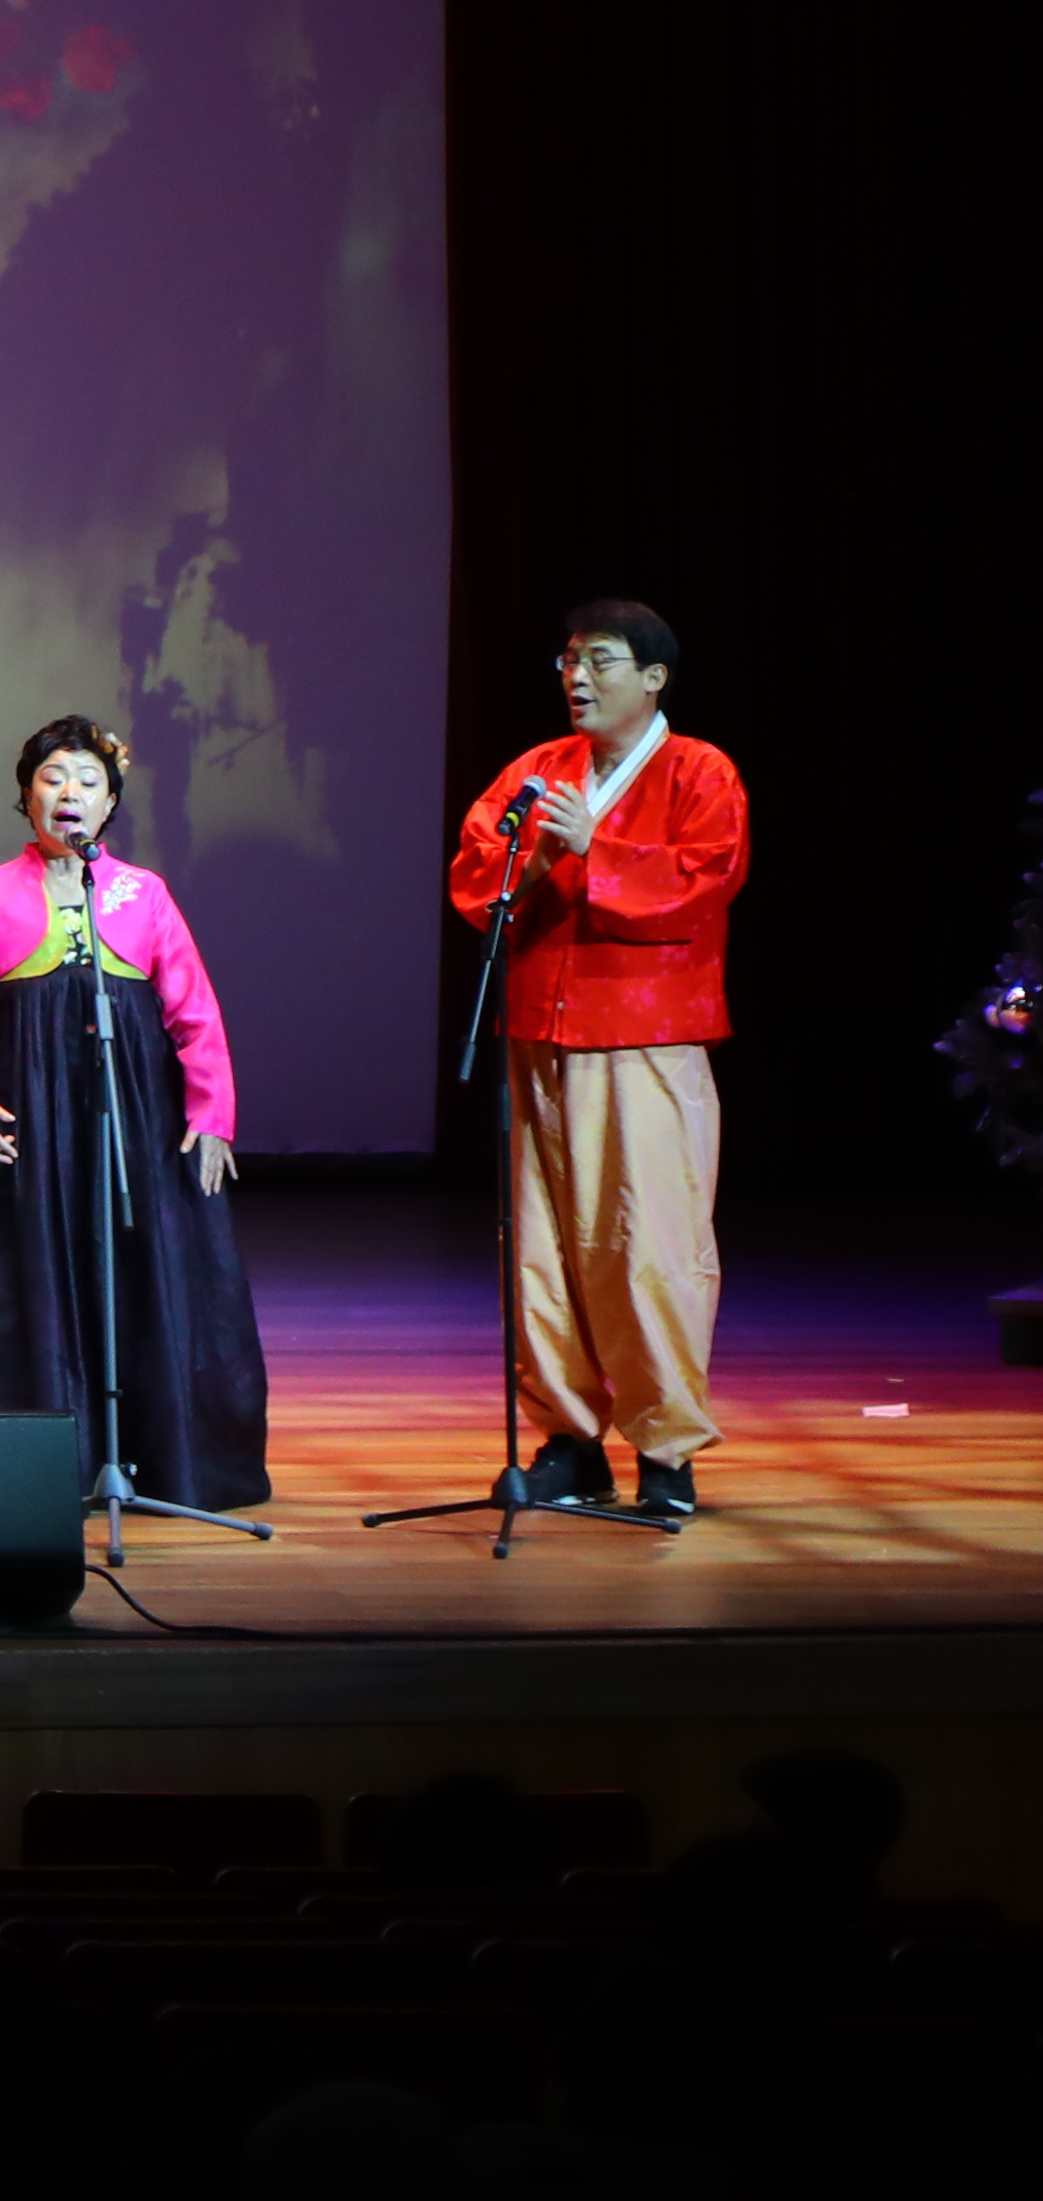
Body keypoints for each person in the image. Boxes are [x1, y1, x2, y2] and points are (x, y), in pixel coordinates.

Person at [0, 714, 268, 1510]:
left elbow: (194, 1014)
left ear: (109, 804)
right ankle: (32, 1466)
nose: (68, 793)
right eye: (52, 777)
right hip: (23, 1118)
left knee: (141, 1268)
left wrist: (212, 1113)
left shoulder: (144, 893)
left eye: (87, 781)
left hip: (132, 1120)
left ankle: (152, 1458)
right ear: (26, 794)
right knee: (18, 1277)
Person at [446, 601, 747, 1517]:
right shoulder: (537, 771)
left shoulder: (700, 770)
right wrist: (540, 852)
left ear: (653, 677)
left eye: (600, 661)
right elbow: (476, 876)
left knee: (648, 1243)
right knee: (542, 1250)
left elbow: (703, 881)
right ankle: (570, 1440)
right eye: (569, 660)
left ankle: (666, 1449)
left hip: (645, 1035)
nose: (576, 677)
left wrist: (596, 847)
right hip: (539, 1032)